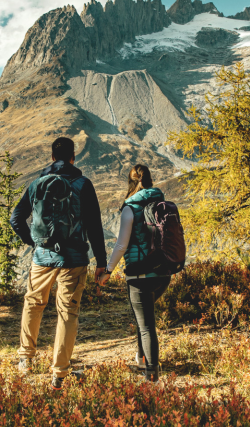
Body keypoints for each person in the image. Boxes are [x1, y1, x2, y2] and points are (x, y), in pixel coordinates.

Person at [10, 137, 108, 389]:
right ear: (73, 157)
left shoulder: (37, 184)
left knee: (33, 303)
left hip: (42, 258)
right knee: (67, 312)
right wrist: (101, 262)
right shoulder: (84, 184)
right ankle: (60, 373)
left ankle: (25, 359)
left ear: (52, 157)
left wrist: (34, 243)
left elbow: (16, 218)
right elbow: (95, 227)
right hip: (74, 260)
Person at [96, 164, 171, 382]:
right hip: (163, 272)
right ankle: (141, 358)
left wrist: (109, 270)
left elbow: (121, 244)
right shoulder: (161, 202)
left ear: (131, 183)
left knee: (146, 324)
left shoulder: (130, 207)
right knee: (144, 317)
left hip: (140, 274)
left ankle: (152, 375)